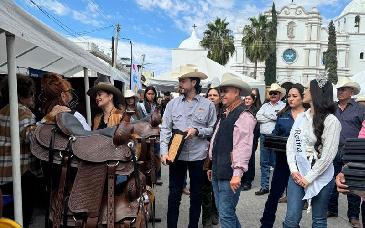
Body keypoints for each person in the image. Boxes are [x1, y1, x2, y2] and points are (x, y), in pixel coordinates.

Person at [160, 64, 216, 228]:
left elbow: (212, 129)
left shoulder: (208, 105)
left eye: (183, 80)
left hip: (198, 156)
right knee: (174, 194)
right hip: (176, 156)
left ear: (193, 82)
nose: (180, 83)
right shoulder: (172, 104)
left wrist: (198, 130)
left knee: (196, 195)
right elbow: (165, 129)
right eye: (179, 80)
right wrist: (164, 152)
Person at [283, 76, 341, 227]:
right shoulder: (302, 117)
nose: (305, 91)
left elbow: (328, 156)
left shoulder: (331, 121)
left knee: (319, 219)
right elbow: (291, 145)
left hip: (320, 173)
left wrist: (309, 178)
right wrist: (293, 170)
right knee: (291, 219)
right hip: (299, 170)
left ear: (316, 92)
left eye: (308, 88)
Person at [208, 72, 256, 228]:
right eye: (221, 91)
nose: (222, 94)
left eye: (225, 91)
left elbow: (244, 147)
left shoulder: (244, 115)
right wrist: (211, 164)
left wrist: (237, 173)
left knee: (226, 214)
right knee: (226, 213)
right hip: (218, 169)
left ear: (236, 91)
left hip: (230, 173)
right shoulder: (225, 113)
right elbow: (216, 140)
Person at [260, 84, 306, 228]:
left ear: (302, 97)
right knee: (274, 195)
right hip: (282, 160)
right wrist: (272, 140)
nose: (291, 99)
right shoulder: (283, 115)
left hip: (302, 164)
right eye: (289, 96)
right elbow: (275, 134)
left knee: (296, 198)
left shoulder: (310, 115)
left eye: (295, 96)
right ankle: (266, 224)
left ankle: (292, 224)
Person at [0, 74, 39, 227]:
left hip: (4, 175)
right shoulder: (22, 111)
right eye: (31, 93)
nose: (33, 97)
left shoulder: (3, 111)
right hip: (20, 176)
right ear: (22, 95)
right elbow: (32, 137)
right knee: (21, 219)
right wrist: (47, 121)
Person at [327, 78, 365, 228]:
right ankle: (331, 209)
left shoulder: (360, 109)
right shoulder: (332, 108)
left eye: (343, 89)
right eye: (339, 89)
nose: (340, 92)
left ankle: (354, 216)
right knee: (331, 180)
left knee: (353, 182)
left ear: (351, 92)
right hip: (334, 148)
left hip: (353, 152)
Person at [255, 83, 286, 195]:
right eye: (271, 93)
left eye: (275, 93)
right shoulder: (265, 105)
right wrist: (272, 116)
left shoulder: (283, 105)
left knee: (277, 163)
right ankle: (264, 186)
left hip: (276, 137)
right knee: (264, 163)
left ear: (279, 94)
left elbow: (279, 118)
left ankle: (277, 189)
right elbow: (258, 117)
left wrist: (268, 116)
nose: (272, 95)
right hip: (264, 137)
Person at [202, 87, 221, 228]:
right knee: (205, 186)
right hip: (203, 152)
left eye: (215, 95)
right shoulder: (202, 110)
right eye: (210, 95)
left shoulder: (224, 112)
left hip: (219, 153)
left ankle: (215, 212)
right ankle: (206, 216)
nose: (212, 97)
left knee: (217, 185)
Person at [241, 93, 260, 190]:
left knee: (250, 159)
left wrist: (253, 137)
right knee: (242, 158)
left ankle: (248, 181)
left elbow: (257, 127)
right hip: (241, 138)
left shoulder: (256, 111)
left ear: (253, 100)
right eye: (245, 99)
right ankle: (242, 179)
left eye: (249, 99)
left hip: (252, 138)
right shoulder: (241, 109)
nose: (247, 100)